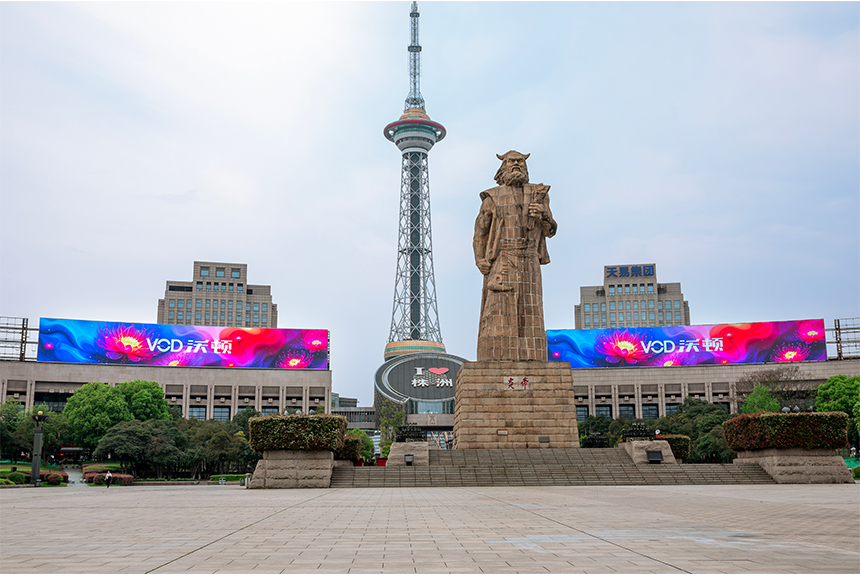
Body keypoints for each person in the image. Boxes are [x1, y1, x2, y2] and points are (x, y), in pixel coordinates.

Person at [473, 151, 557, 361]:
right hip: (503, 258)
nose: (517, 165)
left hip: (530, 259)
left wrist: (544, 215)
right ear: (503, 167)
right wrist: (480, 259)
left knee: (532, 311)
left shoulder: (539, 193)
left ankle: (533, 359)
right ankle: (496, 359)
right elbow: (480, 231)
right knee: (499, 310)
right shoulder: (492, 197)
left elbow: (551, 230)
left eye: (520, 162)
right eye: (512, 161)